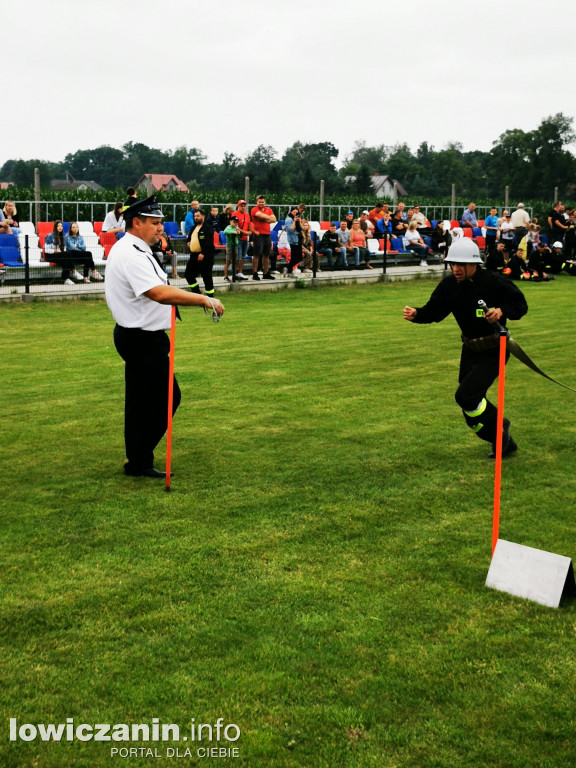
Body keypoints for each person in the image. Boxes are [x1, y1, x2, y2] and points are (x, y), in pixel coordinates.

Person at [104, 195, 224, 479]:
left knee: (140, 402)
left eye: (160, 222)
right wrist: (203, 300)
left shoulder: (136, 248)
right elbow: (156, 292)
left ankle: (138, 461)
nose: (161, 228)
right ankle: (139, 458)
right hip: (140, 339)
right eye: (155, 223)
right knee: (167, 398)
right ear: (137, 223)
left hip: (142, 337)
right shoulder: (131, 253)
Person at [403, 238, 527, 458]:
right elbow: (433, 312)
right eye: (452, 264)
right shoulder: (449, 286)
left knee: (466, 396)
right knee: (469, 402)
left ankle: (500, 427)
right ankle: (500, 437)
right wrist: (416, 314)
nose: (455, 269)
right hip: (470, 349)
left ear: (474, 264)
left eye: (460, 265)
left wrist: (501, 311)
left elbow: (520, 305)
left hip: (494, 350)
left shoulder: (493, 281)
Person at [45, 220, 90, 285]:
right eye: (58, 226)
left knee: (67, 257)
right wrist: (55, 251)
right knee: (67, 255)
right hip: (50, 255)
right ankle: (73, 271)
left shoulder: (62, 236)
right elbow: (46, 250)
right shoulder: (50, 236)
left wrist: (61, 252)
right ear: (55, 227)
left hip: (59, 255)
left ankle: (66, 278)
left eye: (61, 226)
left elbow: (64, 249)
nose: (60, 227)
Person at [185, 208, 216, 297]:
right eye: (195, 216)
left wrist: (203, 253)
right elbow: (189, 237)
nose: (196, 218)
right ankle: (196, 292)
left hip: (205, 256)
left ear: (203, 216)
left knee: (207, 277)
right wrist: (188, 241)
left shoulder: (207, 228)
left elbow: (209, 243)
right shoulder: (194, 227)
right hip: (194, 256)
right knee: (188, 275)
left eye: (198, 216)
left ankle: (210, 297)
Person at [250, 195, 276, 280]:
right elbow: (260, 215)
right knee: (257, 254)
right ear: (257, 202)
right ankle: (255, 273)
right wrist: (267, 218)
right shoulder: (254, 209)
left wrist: (264, 218)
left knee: (266, 254)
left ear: (265, 202)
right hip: (258, 234)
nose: (261, 203)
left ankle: (266, 273)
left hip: (267, 234)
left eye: (263, 201)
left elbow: (274, 219)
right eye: (259, 201)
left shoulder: (269, 209)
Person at [232, 200, 251, 280]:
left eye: (244, 206)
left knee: (243, 256)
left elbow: (249, 224)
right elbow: (234, 225)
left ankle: (240, 272)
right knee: (238, 256)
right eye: (241, 206)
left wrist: (250, 231)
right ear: (238, 206)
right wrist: (245, 232)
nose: (243, 207)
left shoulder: (247, 215)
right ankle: (235, 273)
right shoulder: (234, 214)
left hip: (245, 238)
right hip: (238, 238)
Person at [284, 205, 302, 276]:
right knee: (295, 257)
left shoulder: (296, 218)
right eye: (294, 212)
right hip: (293, 240)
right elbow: (290, 230)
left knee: (299, 257)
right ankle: (289, 269)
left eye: (296, 213)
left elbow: (301, 229)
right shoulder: (289, 219)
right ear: (291, 212)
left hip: (298, 239)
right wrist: (294, 221)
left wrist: (299, 222)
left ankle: (289, 269)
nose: (295, 214)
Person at [223, 213, 240, 282]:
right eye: (234, 222)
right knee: (228, 261)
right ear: (230, 222)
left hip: (235, 246)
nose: (235, 223)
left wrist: (238, 232)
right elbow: (225, 232)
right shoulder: (229, 227)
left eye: (236, 222)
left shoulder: (236, 228)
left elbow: (238, 235)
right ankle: (225, 276)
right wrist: (234, 232)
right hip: (230, 247)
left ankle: (234, 274)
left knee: (235, 261)